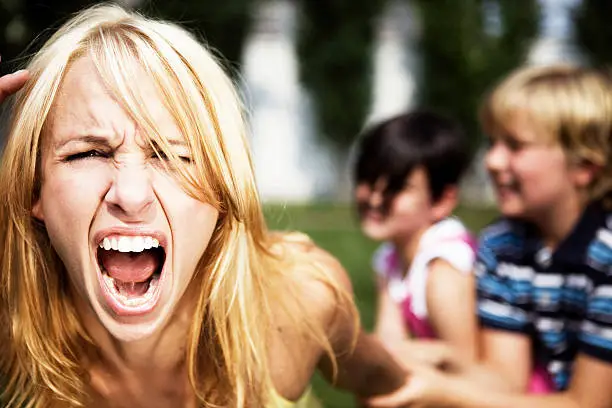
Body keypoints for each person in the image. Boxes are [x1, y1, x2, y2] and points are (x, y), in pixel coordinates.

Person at [0, 5, 414, 407]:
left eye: (172, 155)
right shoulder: (11, 326)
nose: (130, 195)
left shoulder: (299, 302)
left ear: (222, 189)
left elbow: (398, 387)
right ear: (35, 191)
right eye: (88, 153)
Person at [366, 64, 612, 408]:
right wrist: (428, 358)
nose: (492, 161)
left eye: (515, 146)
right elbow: (505, 381)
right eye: (493, 142)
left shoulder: (607, 255)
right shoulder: (504, 246)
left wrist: (442, 391)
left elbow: (589, 404)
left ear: (585, 167)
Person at [353, 110, 478, 358]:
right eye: (367, 179)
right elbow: (388, 344)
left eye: (396, 188)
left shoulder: (444, 270)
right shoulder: (390, 259)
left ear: (442, 200)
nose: (375, 199)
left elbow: (466, 367)